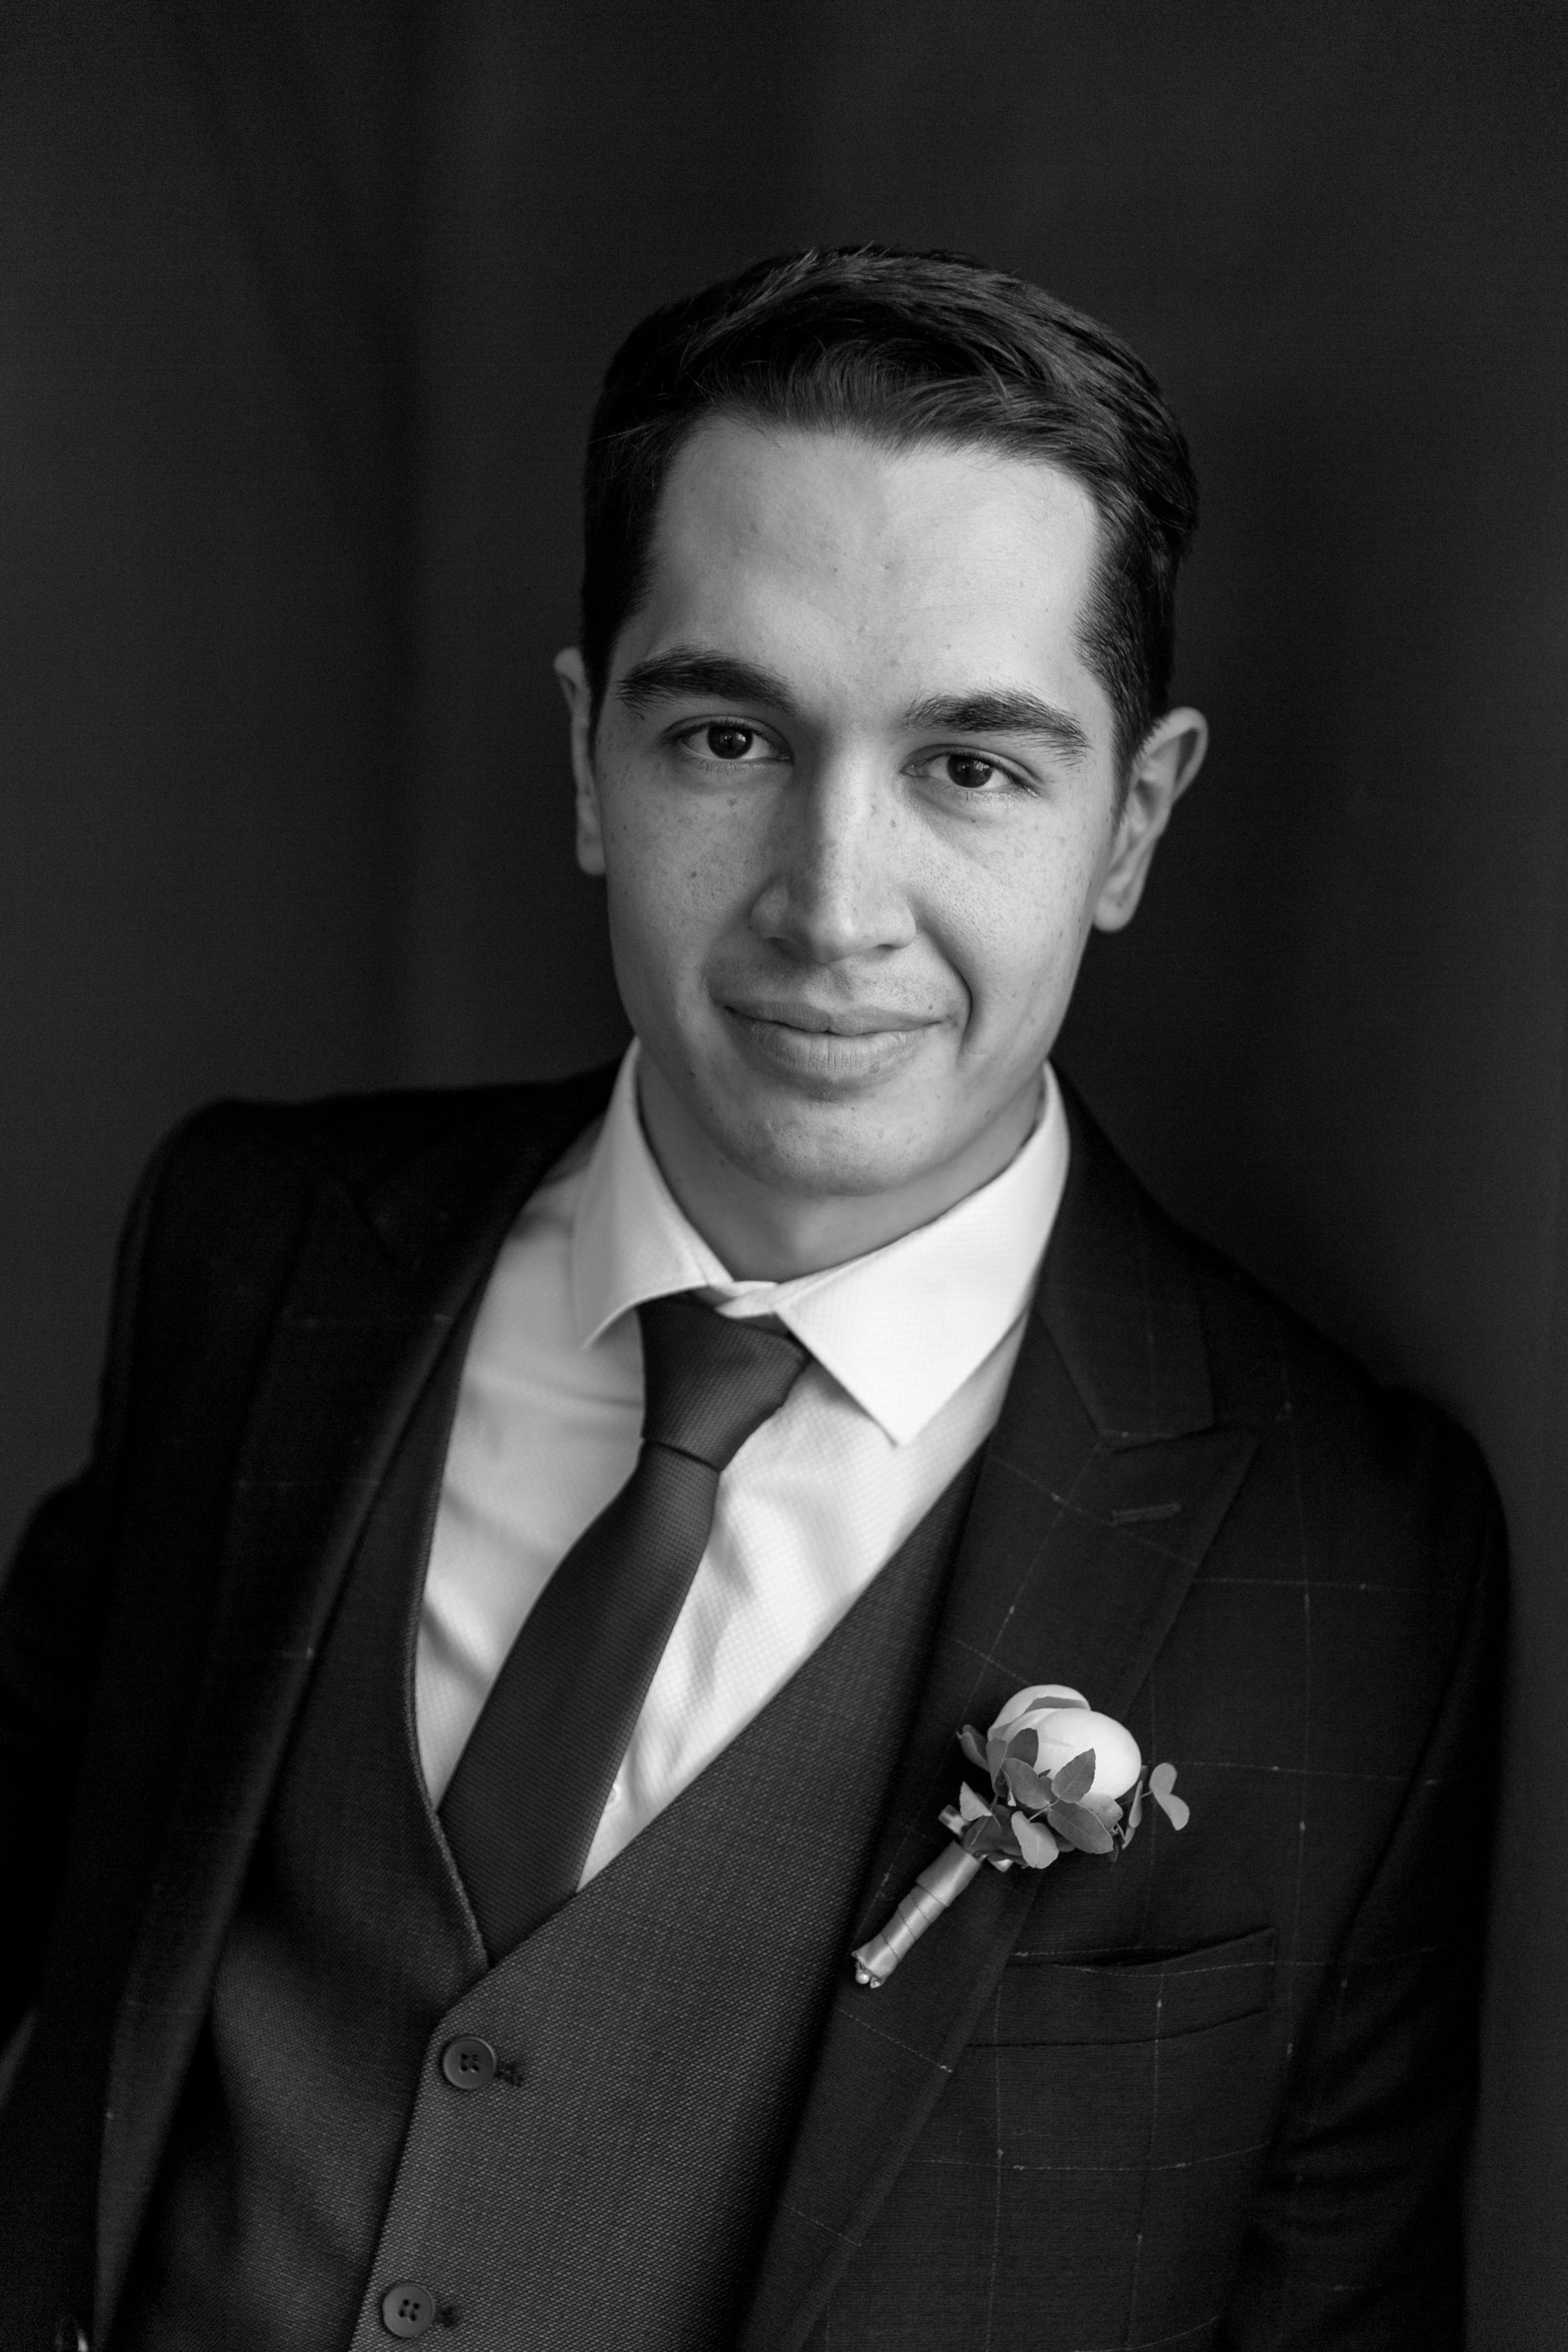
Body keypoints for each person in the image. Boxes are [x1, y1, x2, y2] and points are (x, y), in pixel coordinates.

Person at [0, 246, 1503, 2352]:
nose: (831, 906)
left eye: (972, 767)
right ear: (587, 757)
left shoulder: (1350, 1553)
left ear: (1132, 820)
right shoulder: (259, 1248)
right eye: (728, 736)